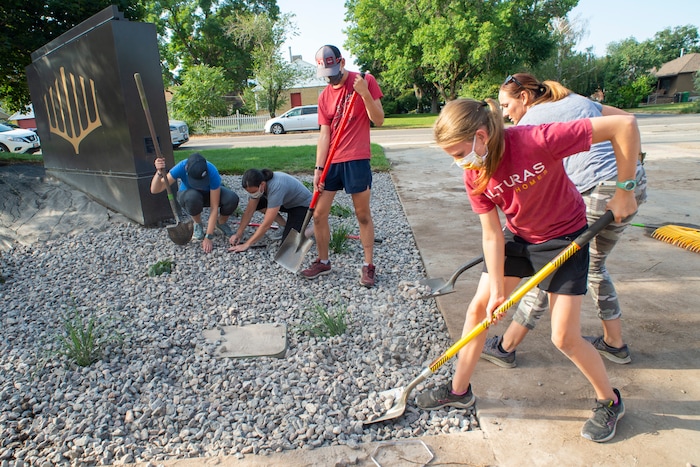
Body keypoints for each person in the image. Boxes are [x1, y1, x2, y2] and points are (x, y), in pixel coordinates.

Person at [414, 97, 640, 443]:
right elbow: (491, 233)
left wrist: (625, 189)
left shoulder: (536, 139)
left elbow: (624, 125)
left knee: (564, 337)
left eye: (459, 153)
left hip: (566, 238)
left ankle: (610, 401)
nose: (460, 163)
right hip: (519, 238)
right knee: (479, 308)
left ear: (480, 136)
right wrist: (499, 291)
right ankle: (459, 391)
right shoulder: (475, 174)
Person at [480, 73, 647, 368]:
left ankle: (507, 346)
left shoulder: (531, 125)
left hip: (601, 189)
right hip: (629, 182)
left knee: (556, 266)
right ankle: (614, 343)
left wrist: (622, 189)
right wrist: (628, 179)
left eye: (507, 105)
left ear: (524, 98)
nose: (505, 114)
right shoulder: (576, 99)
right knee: (589, 265)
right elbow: (628, 120)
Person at [300, 44, 384, 287]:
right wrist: (317, 168)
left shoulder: (364, 80)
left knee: (362, 215)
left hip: (357, 158)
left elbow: (378, 120)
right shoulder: (324, 96)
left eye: (333, 71)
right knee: (318, 214)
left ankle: (368, 266)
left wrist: (365, 93)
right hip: (331, 163)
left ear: (342, 62)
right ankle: (323, 262)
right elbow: (324, 134)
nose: (330, 78)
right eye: (325, 74)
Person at [150, 153, 239, 253]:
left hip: (209, 194)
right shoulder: (181, 167)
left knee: (231, 199)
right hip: (190, 195)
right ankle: (197, 223)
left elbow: (214, 208)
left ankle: (220, 223)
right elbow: (155, 189)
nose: (200, 185)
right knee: (192, 199)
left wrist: (209, 236)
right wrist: (159, 172)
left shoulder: (211, 171)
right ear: (187, 169)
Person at [228, 169, 312, 252]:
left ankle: (314, 229)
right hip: (286, 201)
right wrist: (238, 234)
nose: (253, 194)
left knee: (288, 244)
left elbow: (267, 224)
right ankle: (284, 226)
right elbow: (248, 212)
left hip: (302, 206)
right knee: (259, 203)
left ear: (262, 184)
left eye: (254, 191)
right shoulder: (261, 184)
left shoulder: (276, 187)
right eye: (250, 192)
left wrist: (247, 244)